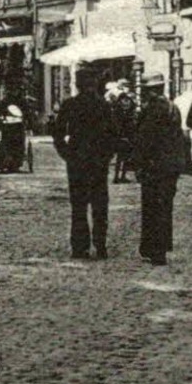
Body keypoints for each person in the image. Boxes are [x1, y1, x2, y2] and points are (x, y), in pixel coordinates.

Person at [51, 67, 120, 259]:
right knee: (99, 205)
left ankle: (80, 247)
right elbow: (114, 135)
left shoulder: (70, 105)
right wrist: (107, 156)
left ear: (77, 84)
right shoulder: (103, 106)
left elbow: (57, 134)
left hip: (77, 162)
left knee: (79, 205)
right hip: (98, 162)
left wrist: (67, 154)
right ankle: (100, 245)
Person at [132, 74, 191, 265]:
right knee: (165, 207)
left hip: (153, 166)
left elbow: (144, 140)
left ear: (151, 91)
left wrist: (138, 164)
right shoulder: (173, 108)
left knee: (151, 207)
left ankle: (153, 250)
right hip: (170, 166)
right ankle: (162, 248)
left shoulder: (151, 111)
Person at [0, 86, 35, 174]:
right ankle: (10, 162)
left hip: (15, 127)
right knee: (10, 144)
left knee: (15, 144)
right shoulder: (15, 101)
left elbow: (27, 114)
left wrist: (30, 125)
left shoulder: (14, 101)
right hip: (10, 127)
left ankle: (13, 163)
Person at [109, 79, 140, 184]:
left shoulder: (117, 104)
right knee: (125, 156)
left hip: (119, 134)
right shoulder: (129, 101)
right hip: (127, 133)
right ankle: (121, 176)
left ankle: (117, 176)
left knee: (120, 157)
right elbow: (132, 117)